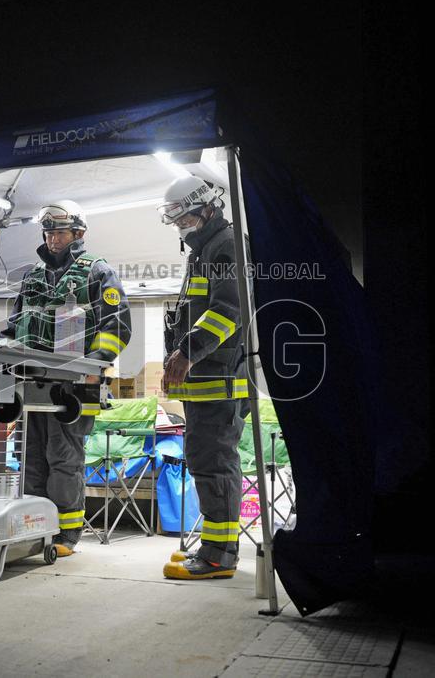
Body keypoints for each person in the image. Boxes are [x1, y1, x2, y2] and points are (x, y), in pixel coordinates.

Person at [1, 200, 132, 557]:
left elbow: (117, 325)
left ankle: (66, 534)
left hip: (71, 386)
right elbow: (13, 326)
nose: (53, 238)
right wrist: (3, 355)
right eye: (48, 232)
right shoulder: (31, 277)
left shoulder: (97, 272)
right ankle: (34, 527)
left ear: (79, 233)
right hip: (29, 385)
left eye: (59, 231)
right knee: (29, 457)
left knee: (62, 457)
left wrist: (93, 366)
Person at [157, 175, 249, 580]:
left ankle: (218, 557)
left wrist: (186, 352)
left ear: (208, 207)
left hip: (220, 384)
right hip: (205, 384)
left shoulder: (225, 245)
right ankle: (215, 549)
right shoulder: (204, 249)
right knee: (204, 461)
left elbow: (230, 310)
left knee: (213, 464)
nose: (182, 227)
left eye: (186, 218)